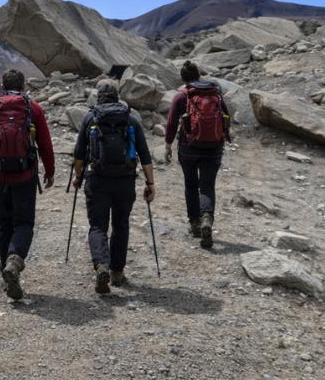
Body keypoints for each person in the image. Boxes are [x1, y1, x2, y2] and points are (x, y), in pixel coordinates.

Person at [0, 69, 55, 300]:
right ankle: (15, 260)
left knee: (4, 224)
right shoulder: (33, 108)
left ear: (2, 86)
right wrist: (50, 171)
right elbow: (45, 144)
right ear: (24, 86)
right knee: (24, 223)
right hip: (25, 175)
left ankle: (5, 272)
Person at [72, 82, 155, 294]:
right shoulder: (130, 120)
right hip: (125, 180)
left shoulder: (91, 118)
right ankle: (117, 271)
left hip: (97, 179)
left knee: (98, 225)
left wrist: (78, 176)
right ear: (117, 98)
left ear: (98, 98)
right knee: (121, 225)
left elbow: (80, 154)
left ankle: (101, 265)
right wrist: (150, 183)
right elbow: (144, 155)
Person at [164, 60, 230, 249]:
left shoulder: (181, 96)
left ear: (183, 78)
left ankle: (194, 224)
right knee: (207, 186)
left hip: (189, 147)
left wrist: (168, 145)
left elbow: (171, 124)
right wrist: (223, 136)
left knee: (191, 184)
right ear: (199, 75)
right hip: (214, 146)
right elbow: (226, 116)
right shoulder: (214, 93)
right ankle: (207, 217)